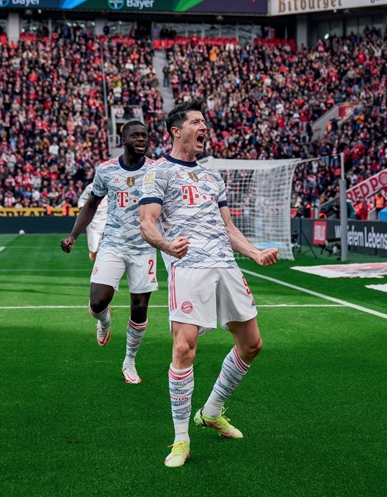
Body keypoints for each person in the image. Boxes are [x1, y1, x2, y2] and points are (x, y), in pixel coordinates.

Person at [139, 99, 279, 468]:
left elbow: (228, 228)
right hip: (188, 269)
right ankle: (181, 439)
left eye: (205, 122)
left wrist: (254, 253)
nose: (204, 127)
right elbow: (147, 222)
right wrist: (168, 246)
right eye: (197, 122)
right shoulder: (158, 172)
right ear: (175, 130)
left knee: (252, 345)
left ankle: (212, 410)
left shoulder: (213, 177)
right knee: (184, 349)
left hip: (226, 266)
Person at [61, 121, 156, 385]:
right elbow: (91, 204)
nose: (141, 139)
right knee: (97, 302)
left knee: (139, 309)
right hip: (113, 243)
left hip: (144, 247)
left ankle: (129, 362)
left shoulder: (156, 170)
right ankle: (104, 322)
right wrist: (73, 235)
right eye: (135, 135)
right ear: (123, 139)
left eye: (144, 135)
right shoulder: (106, 170)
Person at [76, 181, 108, 262]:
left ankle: (102, 270)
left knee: (108, 251)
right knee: (94, 253)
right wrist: (85, 213)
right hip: (93, 224)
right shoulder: (90, 188)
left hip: (107, 223)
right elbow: (81, 201)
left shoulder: (111, 185)